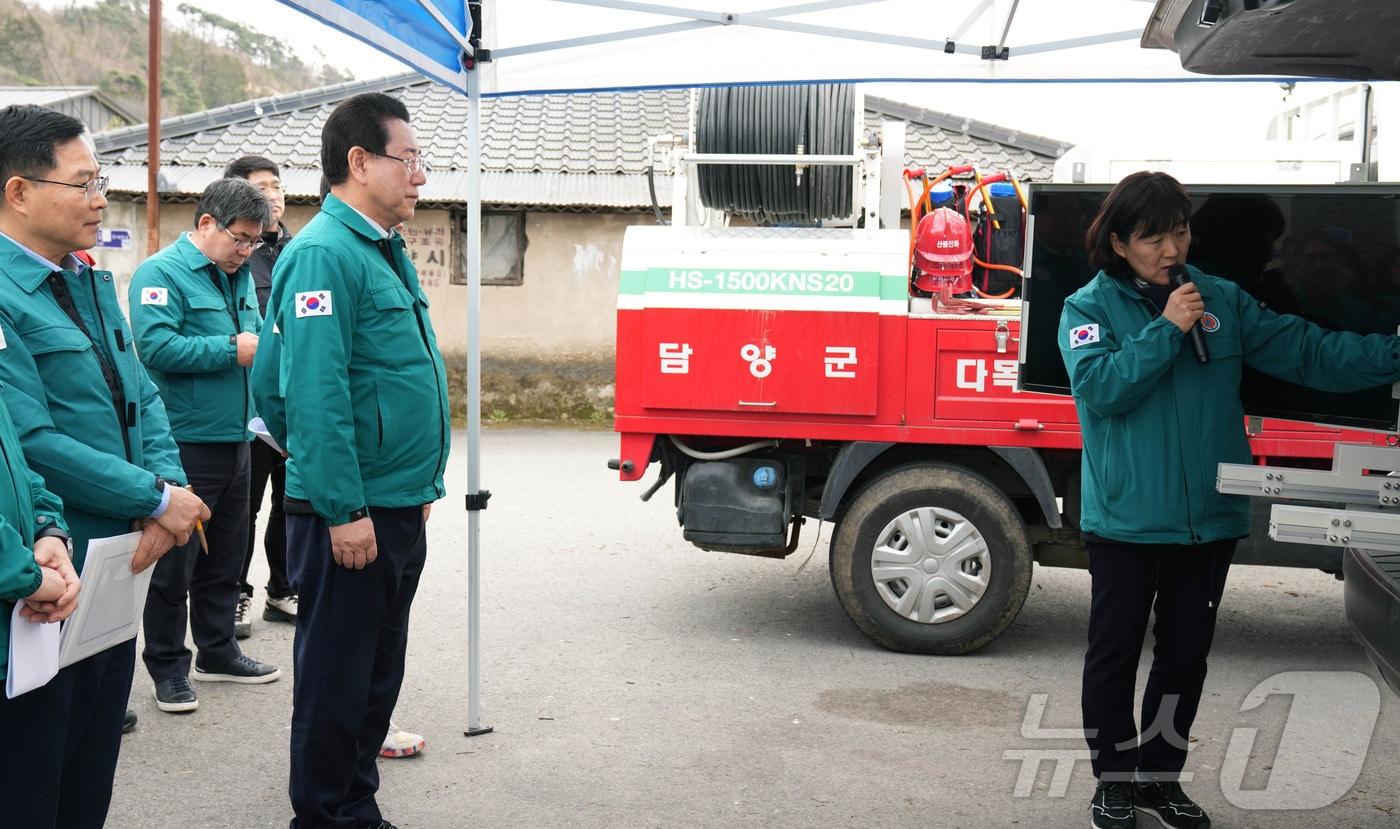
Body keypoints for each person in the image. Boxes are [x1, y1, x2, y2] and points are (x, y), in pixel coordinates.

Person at [1060, 170, 1400, 829]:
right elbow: (1102, 389)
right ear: (1121, 241)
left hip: (1207, 520)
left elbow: (1312, 354)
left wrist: (1393, 353)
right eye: (1154, 236)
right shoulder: (1088, 308)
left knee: (1185, 657)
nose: (1171, 248)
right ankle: (1113, 782)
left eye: (1180, 231)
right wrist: (1164, 329)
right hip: (1129, 518)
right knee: (1115, 654)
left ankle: (1160, 781)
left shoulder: (1221, 299)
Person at [0, 103, 209, 826]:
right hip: (50, 566)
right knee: (35, 774)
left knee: (92, 766)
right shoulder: (4, 293)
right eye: (84, 182)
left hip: (119, 556)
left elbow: (141, 393)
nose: (100, 198)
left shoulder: (87, 277)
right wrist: (154, 498)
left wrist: (166, 489)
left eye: (103, 180)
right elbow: (30, 438)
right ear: (19, 191)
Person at [252, 91, 449, 829]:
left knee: (375, 671)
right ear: (360, 162)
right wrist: (345, 505)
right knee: (338, 676)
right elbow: (304, 393)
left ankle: (353, 804)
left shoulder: (379, 248)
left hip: (394, 501)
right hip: (351, 514)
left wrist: (410, 481)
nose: (420, 177)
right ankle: (325, 813)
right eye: (411, 160)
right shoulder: (324, 254)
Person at [128, 178, 281, 713]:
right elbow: (154, 347)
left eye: (254, 242)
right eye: (238, 238)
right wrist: (229, 349)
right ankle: (168, 667)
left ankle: (218, 652)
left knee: (229, 555)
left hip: (238, 437)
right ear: (206, 224)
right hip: (183, 441)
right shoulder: (160, 274)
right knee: (175, 562)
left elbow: (258, 331)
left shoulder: (234, 276)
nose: (245, 251)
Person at [223, 154, 298, 638]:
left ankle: (282, 588)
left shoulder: (303, 248)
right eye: (261, 187)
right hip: (251, 405)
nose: (273, 194)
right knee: (243, 509)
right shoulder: (234, 256)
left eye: (277, 185)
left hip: (296, 402)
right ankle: (235, 593)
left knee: (292, 501)